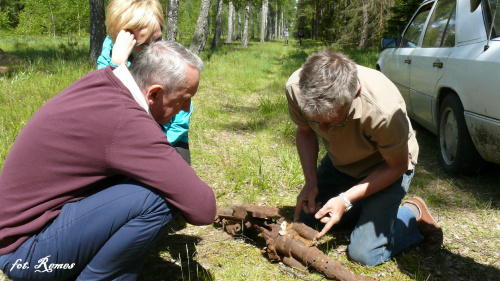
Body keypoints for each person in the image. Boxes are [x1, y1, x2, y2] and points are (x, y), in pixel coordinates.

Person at [0, 41, 216, 280]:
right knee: (158, 199)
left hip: (15, 238)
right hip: (25, 256)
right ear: (154, 93)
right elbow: (202, 208)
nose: (186, 108)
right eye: (184, 98)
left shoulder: (105, 80)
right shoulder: (126, 121)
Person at [285, 50, 443, 266]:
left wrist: (345, 199)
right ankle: (366, 208)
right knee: (307, 223)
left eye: (332, 122)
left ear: (355, 93)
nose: (322, 129)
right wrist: (311, 182)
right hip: (341, 161)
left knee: (364, 254)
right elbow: (305, 132)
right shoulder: (297, 88)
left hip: (385, 166)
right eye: (316, 120)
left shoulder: (384, 109)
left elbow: (397, 165)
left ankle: (412, 213)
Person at [97, 0, 193, 165]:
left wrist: (158, 147)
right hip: (126, 138)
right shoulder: (109, 61)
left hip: (169, 137)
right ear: (123, 38)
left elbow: (180, 118)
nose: (154, 48)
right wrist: (117, 66)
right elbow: (108, 109)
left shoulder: (168, 57)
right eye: (145, 44)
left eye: (158, 38)